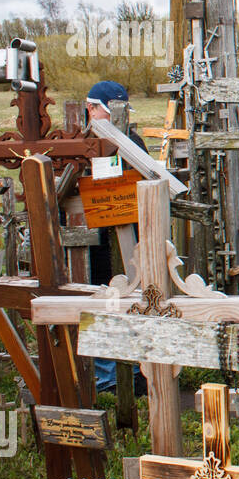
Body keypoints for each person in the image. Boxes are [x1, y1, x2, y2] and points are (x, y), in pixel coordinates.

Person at [83, 81, 146, 395]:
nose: (114, 120)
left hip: (131, 238)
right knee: (102, 300)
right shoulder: (82, 144)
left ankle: (135, 371)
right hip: (95, 242)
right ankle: (107, 375)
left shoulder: (133, 141)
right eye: (108, 112)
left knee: (133, 299)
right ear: (91, 108)